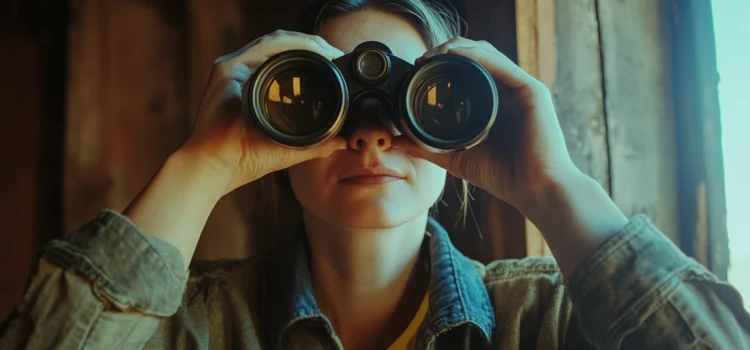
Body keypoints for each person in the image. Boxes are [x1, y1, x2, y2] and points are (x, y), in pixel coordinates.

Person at [2, 0, 749, 349]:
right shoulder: (188, 328)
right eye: (317, 101)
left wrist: (557, 189)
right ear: (271, 130)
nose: (371, 133)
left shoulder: (547, 322)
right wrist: (205, 161)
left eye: (423, 100)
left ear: (461, 134)